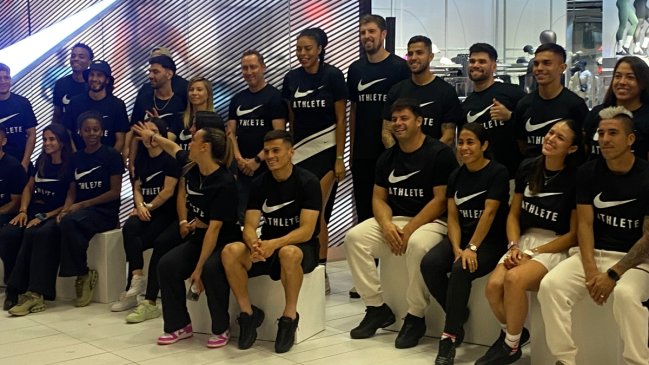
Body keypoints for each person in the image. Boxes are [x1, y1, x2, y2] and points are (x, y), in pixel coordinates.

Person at [538, 106, 649, 365]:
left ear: (630, 139)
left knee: (625, 295)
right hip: (595, 254)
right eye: (601, 133)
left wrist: (613, 274)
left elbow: (648, 238)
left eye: (613, 133)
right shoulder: (588, 172)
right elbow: (585, 226)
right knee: (550, 287)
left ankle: (638, 362)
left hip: (637, 261)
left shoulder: (646, 176)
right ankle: (565, 360)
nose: (605, 139)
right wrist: (590, 271)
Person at [344, 98, 458, 348]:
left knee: (417, 245)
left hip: (433, 222)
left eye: (404, 118)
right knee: (354, 238)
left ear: (419, 121)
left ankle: (415, 316)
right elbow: (378, 198)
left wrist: (408, 229)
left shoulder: (439, 153)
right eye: (394, 119)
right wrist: (386, 226)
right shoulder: (387, 157)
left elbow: (440, 201)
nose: (398, 123)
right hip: (396, 220)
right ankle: (376, 308)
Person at [476, 119, 581, 365]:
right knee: (493, 287)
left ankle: (510, 347)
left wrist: (533, 252)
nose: (551, 138)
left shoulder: (576, 178)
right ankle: (514, 335)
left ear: (572, 149)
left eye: (560, 138)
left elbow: (573, 234)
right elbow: (513, 214)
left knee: (514, 280)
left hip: (555, 244)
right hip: (523, 239)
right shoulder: (527, 167)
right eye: (550, 132)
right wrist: (514, 245)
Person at [131, 122, 241, 348]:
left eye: (194, 141)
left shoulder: (225, 182)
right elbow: (173, 148)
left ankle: (221, 327)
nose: (189, 144)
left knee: (210, 269)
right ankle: (179, 325)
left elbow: (215, 229)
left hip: (224, 240)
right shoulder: (192, 166)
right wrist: (153, 136)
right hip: (200, 234)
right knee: (167, 264)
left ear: (205, 147)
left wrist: (197, 269)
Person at [222, 130, 321, 353]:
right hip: (267, 245)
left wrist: (272, 245)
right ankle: (248, 314)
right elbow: (249, 225)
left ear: (291, 152)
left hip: (301, 248)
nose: (270, 156)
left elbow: (306, 230)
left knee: (289, 253)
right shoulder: (259, 184)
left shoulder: (308, 182)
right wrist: (254, 244)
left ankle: (289, 317)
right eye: (267, 151)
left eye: (276, 150)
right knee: (231, 251)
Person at [419, 123, 509, 364]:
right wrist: (458, 247)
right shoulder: (456, 175)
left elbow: (489, 214)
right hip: (463, 239)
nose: (464, 148)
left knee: (462, 269)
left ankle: (449, 338)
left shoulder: (497, 172)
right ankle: (457, 313)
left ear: (484, 145)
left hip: (490, 241)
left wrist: (472, 248)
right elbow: (452, 217)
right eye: (461, 142)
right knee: (430, 263)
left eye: (470, 142)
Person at [282, 27, 347, 293]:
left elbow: (342, 118)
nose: (302, 53)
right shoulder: (291, 78)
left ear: (320, 49)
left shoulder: (333, 76)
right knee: (301, 212)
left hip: (327, 152)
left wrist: (340, 157)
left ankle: (322, 269)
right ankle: (304, 263)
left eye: (307, 48)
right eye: (299, 49)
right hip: (300, 153)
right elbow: (291, 120)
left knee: (317, 211)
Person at [111, 118, 181, 322]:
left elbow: (168, 191)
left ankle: (150, 301)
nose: (148, 136)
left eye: (153, 131)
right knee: (130, 227)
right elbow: (137, 188)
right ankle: (136, 280)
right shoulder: (140, 158)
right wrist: (140, 205)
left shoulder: (170, 160)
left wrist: (148, 206)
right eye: (144, 132)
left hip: (167, 215)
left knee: (160, 243)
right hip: (147, 212)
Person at [347, 14, 410, 225]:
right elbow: (354, 110)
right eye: (363, 32)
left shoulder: (400, 67)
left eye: (371, 31)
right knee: (365, 213)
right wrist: (352, 150)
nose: (367, 36)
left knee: (391, 212)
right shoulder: (355, 69)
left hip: (390, 152)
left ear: (383, 34)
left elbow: (406, 114)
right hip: (362, 153)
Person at [3, 124, 73, 314]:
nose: (47, 143)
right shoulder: (41, 161)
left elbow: (70, 199)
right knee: (10, 233)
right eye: (44, 139)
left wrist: (45, 216)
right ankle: (13, 287)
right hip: (34, 211)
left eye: (51, 139)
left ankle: (36, 293)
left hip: (54, 215)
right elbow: (28, 188)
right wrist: (23, 210)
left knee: (38, 233)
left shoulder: (70, 165)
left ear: (61, 142)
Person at [57, 111, 124, 308]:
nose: (91, 133)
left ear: (102, 131)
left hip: (105, 212)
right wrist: (66, 209)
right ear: (80, 132)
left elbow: (115, 192)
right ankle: (82, 273)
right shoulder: (75, 158)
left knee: (71, 223)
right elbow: (72, 191)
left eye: (95, 129)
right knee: (64, 222)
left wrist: (83, 205)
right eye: (87, 130)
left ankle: (82, 274)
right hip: (81, 211)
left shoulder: (112, 156)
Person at [227, 50, 287, 222]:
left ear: (263, 67)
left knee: (269, 216)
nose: (249, 72)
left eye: (253, 67)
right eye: (245, 68)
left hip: (267, 167)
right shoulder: (237, 99)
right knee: (243, 217)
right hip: (242, 169)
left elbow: (279, 135)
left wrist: (256, 161)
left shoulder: (275, 97)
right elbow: (230, 133)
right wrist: (239, 159)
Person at [383, 35, 463, 147]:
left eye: (419, 53)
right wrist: (398, 157)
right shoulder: (396, 91)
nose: (413, 57)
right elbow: (386, 131)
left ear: (430, 56)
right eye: (410, 54)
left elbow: (449, 136)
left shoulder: (446, 91)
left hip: (433, 162)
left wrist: (427, 158)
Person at [462, 43, 525, 179]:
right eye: (472, 61)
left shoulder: (512, 92)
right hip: (479, 177)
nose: (475, 65)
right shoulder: (466, 105)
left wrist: (509, 116)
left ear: (494, 66)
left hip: (512, 176)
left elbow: (528, 126)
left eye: (482, 61)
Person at [515, 43, 588, 158]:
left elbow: (584, 146)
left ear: (562, 68)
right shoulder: (523, 104)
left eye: (546, 63)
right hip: (531, 172)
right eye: (536, 63)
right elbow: (522, 144)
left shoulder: (575, 105)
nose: (539, 68)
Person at [126, 55, 186, 171]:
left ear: (169, 74)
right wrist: (130, 159)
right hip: (145, 161)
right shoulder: (144, 98)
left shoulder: (180, 101)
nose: (150, 76)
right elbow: (135, 129)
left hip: (171, 161)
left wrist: (158, 126)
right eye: (149, 72)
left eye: (155, 72)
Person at [584, 56, 649, 159]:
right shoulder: (597, 113)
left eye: (630, 77)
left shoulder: (646, 117)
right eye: (618, 76)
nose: (622, 82)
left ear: (643, 82)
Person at [62, 60, 129, 152]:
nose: (94, 79)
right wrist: (75, 157)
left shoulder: (117, 105)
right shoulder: (75, 102)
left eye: (99, 75)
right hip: (78, 160)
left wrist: (110, 162)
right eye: (92, 74)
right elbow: (68, 133)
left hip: (107, 162)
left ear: (107, 80)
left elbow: (120, 140)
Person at [0, 126, 28, 288]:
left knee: (7, 236)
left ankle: (13, 284)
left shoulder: (12, 166)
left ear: (3, 141)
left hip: (8, 214)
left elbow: (15, 203)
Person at [0, 63, 37, 171]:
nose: (3, 81)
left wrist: (25, 163)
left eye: (6, 78)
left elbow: (31, 134)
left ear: (10, 80)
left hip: (21, 161)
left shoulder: (23, 103)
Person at [52, 43, 93, 124]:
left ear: (90, 62)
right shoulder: (61, 84)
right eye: (73, 56)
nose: (76, 59)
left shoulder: (94, 85)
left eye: (81, 57)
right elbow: (57, 114)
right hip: (66, 133)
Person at [178, 77, 215, 151]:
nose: (194, 93)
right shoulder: (179, 118)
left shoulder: (214, 120)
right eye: (191, 90)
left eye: (199, 90)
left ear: (208, 94)